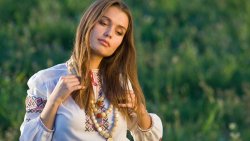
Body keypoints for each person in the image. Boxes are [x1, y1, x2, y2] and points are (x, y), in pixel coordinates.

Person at [19, 0, 163, 140]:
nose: (109, 33)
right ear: (89, 22)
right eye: (103, 23)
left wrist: (141, 111)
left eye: (119, 32)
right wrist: (54, 101)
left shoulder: (121, 82)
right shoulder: (45, 81)